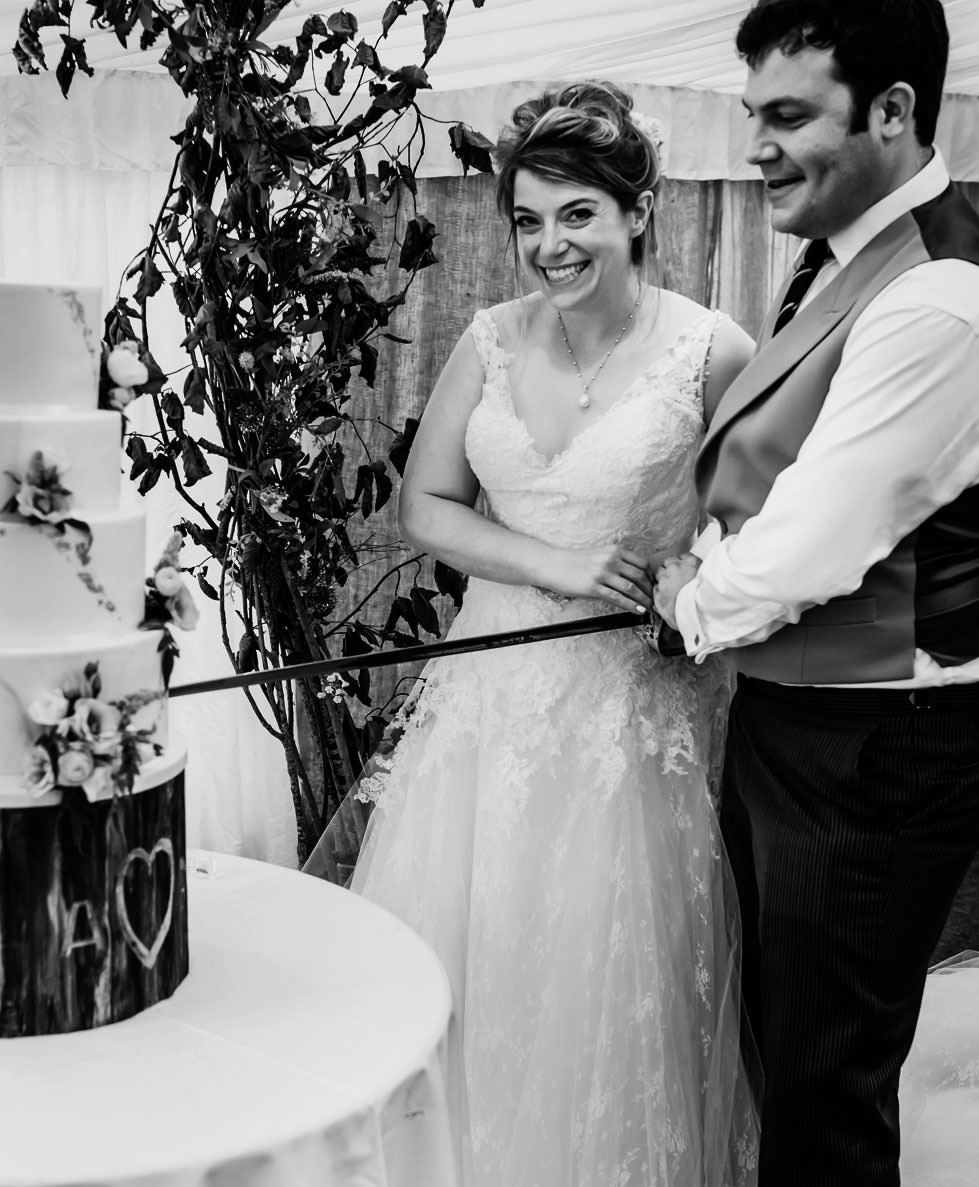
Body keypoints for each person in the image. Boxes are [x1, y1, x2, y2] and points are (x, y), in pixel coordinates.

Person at [651, 2, 979, 1184]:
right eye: (750, 115)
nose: (756, 147)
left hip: (884, 736)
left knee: (826, 1087)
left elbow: (807, 546)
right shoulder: (846, 251)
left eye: (786, 116)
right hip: (818, 700)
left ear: (891, 110)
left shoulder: (942, 294)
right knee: (785, 1040)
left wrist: (687, 599)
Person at [344, 81, 760, 1184]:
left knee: (592, 963)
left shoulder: (713, 349)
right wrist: (557, 563)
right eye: (527, 219)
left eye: (575, 214)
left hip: (621, 710)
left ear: (638, 208)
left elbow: (762, 523)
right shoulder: (486, 338)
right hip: (485, 700)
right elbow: (425, 504)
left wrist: (691, 576)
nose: (547, 245)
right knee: (465, 941)